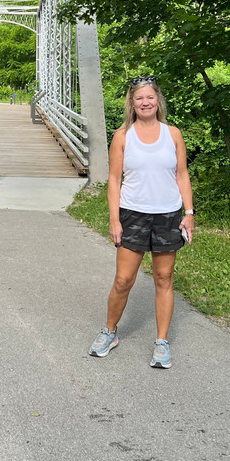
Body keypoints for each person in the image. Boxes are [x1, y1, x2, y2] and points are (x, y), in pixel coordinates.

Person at [88, 76, 194, 369]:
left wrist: (189, 213)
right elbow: (113, 180)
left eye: (150, 97)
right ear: (131, 104)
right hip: (132, 213)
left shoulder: (173, 134)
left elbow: (182, 174)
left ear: (158, 100)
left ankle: (161, 342)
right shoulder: (123, 136)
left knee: (164, 279)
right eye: (139, 98)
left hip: (168, 215)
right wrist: (114, 219)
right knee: (123, 280)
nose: (145, 103)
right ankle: (110, 332)